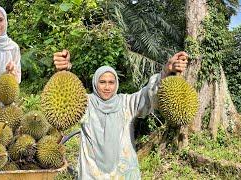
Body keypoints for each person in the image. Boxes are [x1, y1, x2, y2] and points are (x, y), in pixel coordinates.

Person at [53, 50, 188, 179]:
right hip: (92, 174)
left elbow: (148, 95)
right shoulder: (85, 103)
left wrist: (166, 71)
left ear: (116, 84)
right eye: (102, 82)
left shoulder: (126, 103)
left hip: (123, 174)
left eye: (111, 82)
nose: (107, 87)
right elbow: (65, 100)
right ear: (95, 83)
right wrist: (63, 70)